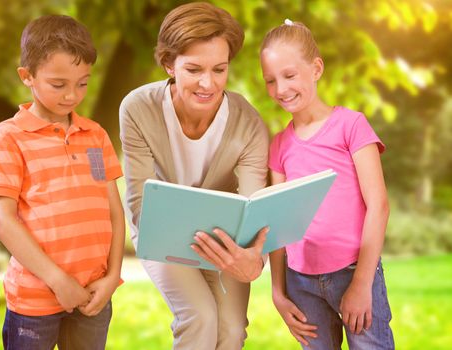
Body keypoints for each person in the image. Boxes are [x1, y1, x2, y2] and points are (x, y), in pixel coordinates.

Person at [119, 2, 269, 349]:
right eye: (194, 69)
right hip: (162, 233)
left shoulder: (248, 124)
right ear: (169, 64)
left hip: (224, 241)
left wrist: (254, 260)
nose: (208, 83)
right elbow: (140, 203)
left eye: (219, 69)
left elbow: (254, 205)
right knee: (200, 316)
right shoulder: (138, 108)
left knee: (231, 331)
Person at [0, 15, 125, 350]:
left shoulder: (95, 136)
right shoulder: (7, 137)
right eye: (58, 84)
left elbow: (114, 213)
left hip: (93, 296)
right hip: (35, 301)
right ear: (27, 76)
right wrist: (58, 281)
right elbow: (4, 221)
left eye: (83, 83)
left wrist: (111, 278)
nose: (71, 95)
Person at [260, 19, 395, 349]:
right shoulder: (279, 145)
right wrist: (278, 293)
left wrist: (362, 284)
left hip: (354, 272)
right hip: (300, 283)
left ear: (316, 68)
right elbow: (278, 223)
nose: (281, 89)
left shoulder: (351, 126)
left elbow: (379, 205)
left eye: (289, 75)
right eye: (270, 80)